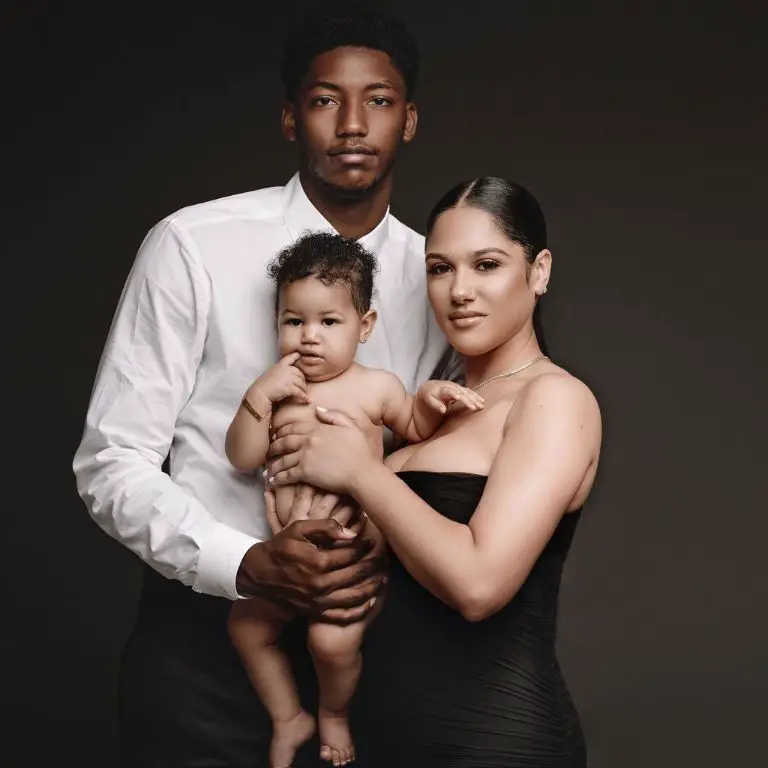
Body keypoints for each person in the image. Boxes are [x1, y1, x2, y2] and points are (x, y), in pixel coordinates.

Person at [72, 6, 448, 767]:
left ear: (408, 120)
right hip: (205, 647)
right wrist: (242, 564)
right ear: (289, 118)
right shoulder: (194, 245)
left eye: (378, 100)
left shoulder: (439, 275)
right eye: (323, 100)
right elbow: (110, 461)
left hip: (372, 646)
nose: (351, 123)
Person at [265, 176, 603, 767]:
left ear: (540, 271)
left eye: (488, 264)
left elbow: (478, 585)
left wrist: (362, 473)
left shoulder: (554, 399)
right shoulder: (428, 411)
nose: (460, 291)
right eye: (440, 268)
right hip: (383, 739)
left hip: (492, 740)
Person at [225, 231, 481, 767]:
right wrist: (256, 399)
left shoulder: (376, 387)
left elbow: (412, 427)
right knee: (246, 627)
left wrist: (432, 400)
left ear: (364, 327)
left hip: (351, 553)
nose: (308, 337)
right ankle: (288, 716)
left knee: (331, 645)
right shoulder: (275, 389)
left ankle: (334, 714)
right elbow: (243, 457)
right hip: (287, 558)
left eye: (329, 322)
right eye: (293, 322)